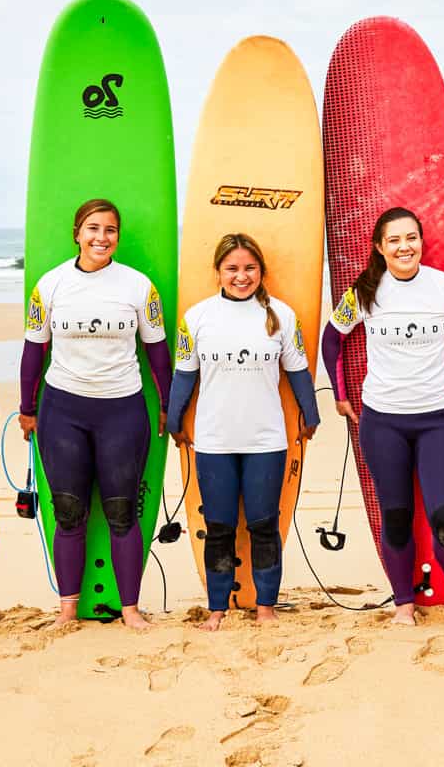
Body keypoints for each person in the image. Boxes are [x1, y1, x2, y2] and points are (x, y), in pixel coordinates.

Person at [320, 207, 444, 626]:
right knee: (396, 516)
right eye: (395, 240)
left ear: (421, 241)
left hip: (437, 419)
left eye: (411, 238)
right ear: (380, 248)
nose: (405, 247)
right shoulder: (364, 292)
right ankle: (403, 605)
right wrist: (341, 394)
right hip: (384, 422)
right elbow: (332, 341)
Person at [20, 198, 171, 631]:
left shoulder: (139, 287)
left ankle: (130, 610)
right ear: (77, 233)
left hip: (122, 410)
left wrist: (165, 404)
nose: (101, 237)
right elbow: (35, 351)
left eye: (109, 230)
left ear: (117, 237)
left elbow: (157, 351)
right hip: (63, 409)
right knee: (68, 511)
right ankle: (67, 609)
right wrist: (27, 408)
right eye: (92, 228)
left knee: (123, 513)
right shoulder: (50, 286)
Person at [167, 233, 320, 631]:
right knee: (218, 527)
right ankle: (217, 609)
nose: (241, 276)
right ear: (218, 272)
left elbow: (298, 370)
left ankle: (265, 607)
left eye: (249, 268)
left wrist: (311, 412)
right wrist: (174, 418)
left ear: (261, 272)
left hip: (266, 440)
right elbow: (184, 374)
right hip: (214, 440)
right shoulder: (197, 318)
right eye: (232, 268)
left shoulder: (281, 316)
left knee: (263, 525)